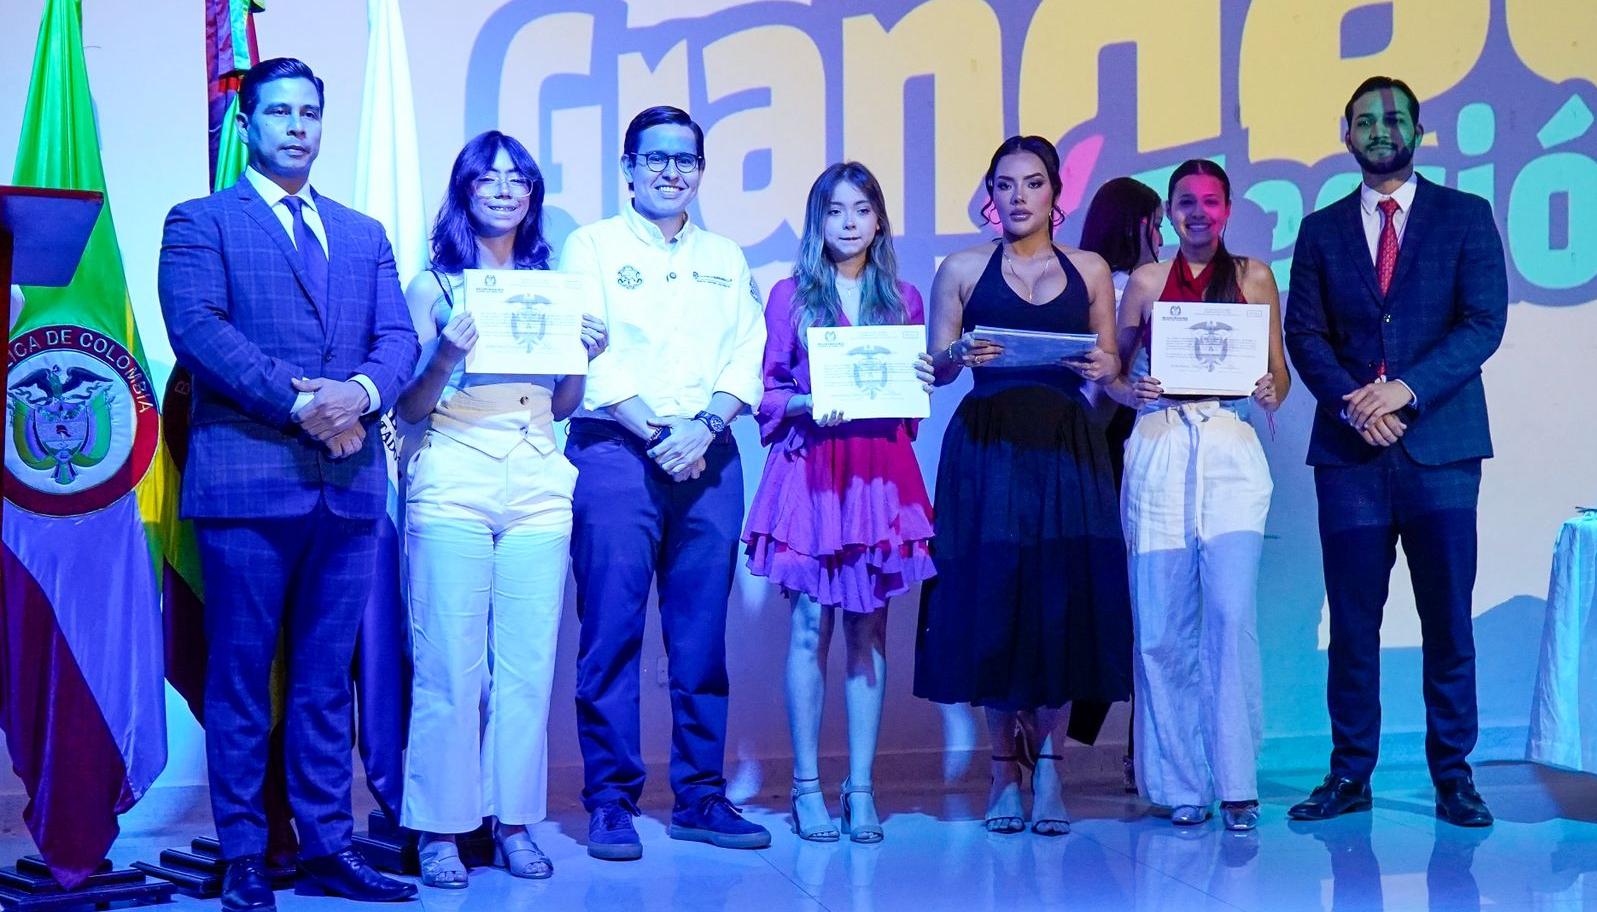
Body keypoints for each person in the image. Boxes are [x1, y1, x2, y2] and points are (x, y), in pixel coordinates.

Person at [157, 57, 419, 909]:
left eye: (310, 111)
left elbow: (397, 341)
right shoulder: (201, 221)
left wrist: (363, 396)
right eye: (280, 112)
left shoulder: (363, 231)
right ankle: (244, 853)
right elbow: (198, 329)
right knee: (239, 678)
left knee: (320, 680)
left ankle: (326, 846)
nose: (298, 126)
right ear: (249, 123)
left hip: (347, 488)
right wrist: (303, 402)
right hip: (246, 482)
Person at [1283, 75, 1507, 828]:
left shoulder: (1464, 216)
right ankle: (1349, 775)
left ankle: (1453, 776)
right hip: (1350, 457)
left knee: (1447, 620)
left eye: (1394, 118)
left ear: (1419, 130)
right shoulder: (1318, 231)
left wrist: (1402, 390)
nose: (1380, 130)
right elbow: (1304, 336)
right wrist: (1355, 401)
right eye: (1365, 121)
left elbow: (1481, 324)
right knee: (1352, 624)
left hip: (1439, 450)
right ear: (1344, 134)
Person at [394, 131, 607, 887]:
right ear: (464, 190)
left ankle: (513, 821)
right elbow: (411, 404)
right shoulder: (435, 285)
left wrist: (588, 353)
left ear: (533, 195)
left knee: (526, 666)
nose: (504, 188)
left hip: (539, 477)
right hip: (452, 470)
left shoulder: (553, 283)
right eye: (488, 177)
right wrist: (446, 354)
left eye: (517, 178)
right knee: (450, 665)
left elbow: (565, 402)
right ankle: (440, 831)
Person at [559, 105, 770, 860]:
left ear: (701, 171)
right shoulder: (589, 246)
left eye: (684, 159)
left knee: (699, 637)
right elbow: (589, 353)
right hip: (619, 450)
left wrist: (705, 427)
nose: (670, 172)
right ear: (627, 168)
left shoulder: (725, 254)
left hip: (707, 453)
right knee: (611, 634)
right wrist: (657, 431)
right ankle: (610, 802)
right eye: (654, 159)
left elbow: (747, 349)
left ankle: (700, 797)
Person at [914, 135, 1132, 837]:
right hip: (986, 449)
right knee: (991, 601)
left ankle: (1051, 772)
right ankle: (1002, 772)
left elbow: (1110, 375)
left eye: (1031, 183)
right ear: (989, 193)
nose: (1017, 196)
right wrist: (950, 354)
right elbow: (938, 369)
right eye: (1004, 184)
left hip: (1068, 448)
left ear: (1053, 193)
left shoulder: (1091, 268)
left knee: (1060, 603)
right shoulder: (961, 267)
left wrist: (1105, 374)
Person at [742, 162, 937, 844]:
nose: (848, 221)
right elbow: (765, 394)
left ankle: (860, 788)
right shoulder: (789, 295)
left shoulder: (903, 298)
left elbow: (908, 401)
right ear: (816, 221)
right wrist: (805, 402)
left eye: (861, 209)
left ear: (879, 220)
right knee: (807, 630)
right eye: (834, 210)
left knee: (868, 631)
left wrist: (918, 383)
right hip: (811, 473)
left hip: (878, 476)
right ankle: (805, 787)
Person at [1106, 159, 1290, 832]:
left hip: (1229, 445)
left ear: (1227, 209)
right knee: (1159, 624)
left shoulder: (1253, 278)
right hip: (1157, 446)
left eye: (1209, 202)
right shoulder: (1147, 282)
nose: (1197, 213)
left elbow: (1276, 370)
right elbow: (1115, 373)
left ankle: (1237, 783)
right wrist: (1131, 390)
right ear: (1167, 212)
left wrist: (1273, 389)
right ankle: (1181, 784)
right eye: (1185, 202)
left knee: (1229, 613)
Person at [1077, 175, 1164, 793]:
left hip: (1117, 451)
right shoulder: (1113, 289)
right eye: (1156, 221)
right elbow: (1102, 391)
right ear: (1136, 225)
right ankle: (1139, 753)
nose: (1161, 235)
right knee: (1131, 604)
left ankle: (1139, 751)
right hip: (1113, 454)